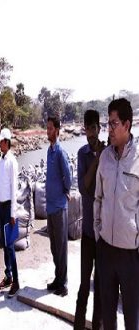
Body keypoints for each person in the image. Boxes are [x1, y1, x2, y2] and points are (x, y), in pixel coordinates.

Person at [94, 98, 139, 330]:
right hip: (106, 251)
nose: (108, 129)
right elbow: (97, 199)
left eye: (113, 124)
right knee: (108, 318)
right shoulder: (105, 157)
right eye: (108, 124)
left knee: (132, 318)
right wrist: (98, 234)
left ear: (127, 125)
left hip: (131, 255)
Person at [74, 110, 103, 330]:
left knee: (101, 290)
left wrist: (103, 156)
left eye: (94, 128)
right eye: (87, 128)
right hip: (87, 234)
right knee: (84, 286)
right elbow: (83, 189)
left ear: (99, 128)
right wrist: (95, 161)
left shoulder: (110, 154)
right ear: (84, 130)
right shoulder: (82, 154)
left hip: (104, 238)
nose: (91, 133)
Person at [45, 116, 71, 297]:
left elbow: (68, 176)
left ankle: (64, 284)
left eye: (50, 129)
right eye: (47, 128)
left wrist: (66, 191)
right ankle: (57, 278)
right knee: (54, 246)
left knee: (61, 246)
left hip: (60, 206)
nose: (48, 132)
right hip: (50, 206)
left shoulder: (60, 152)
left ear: (57, 130)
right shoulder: (49, 151)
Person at [0, 128, 20, 297]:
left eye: (1, 141)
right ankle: (8, 275)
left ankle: (16, 281)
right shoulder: (0, 161)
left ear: (7, 142)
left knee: (10, 246)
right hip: (1, 207)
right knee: (4, 245)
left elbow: (13, 189)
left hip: (9, 206)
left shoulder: (12, 162)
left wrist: (13, 213)